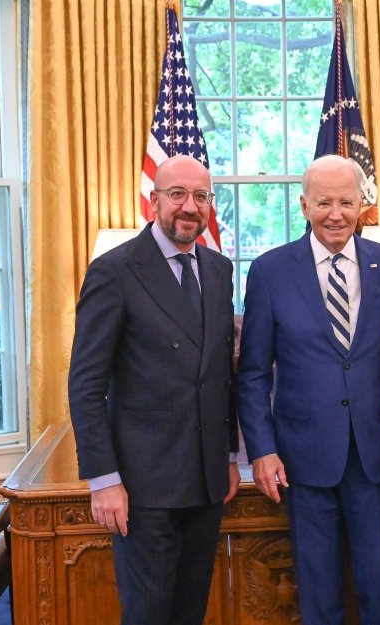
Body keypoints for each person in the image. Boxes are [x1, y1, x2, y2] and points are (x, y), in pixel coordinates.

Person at [237, 154, 380, 625]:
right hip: (303, 457)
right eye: (323, 202)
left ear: (362, 205)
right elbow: (253, 372)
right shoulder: (270, 270)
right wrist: (262, 450)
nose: (335, 213)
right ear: (303, 205)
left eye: (345, 202)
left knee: (379, 584)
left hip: (376, 452)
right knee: (317, 591)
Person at [67, 154, 240, 625]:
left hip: (206, 482)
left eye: (200, 196)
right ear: (154, 200)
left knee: (190, 612)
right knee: (148, 614)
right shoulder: (115, 270)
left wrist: (227, 456)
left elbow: (221, 373)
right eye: (177, 194)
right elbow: (85, 384)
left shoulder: (220, 270)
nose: (189, 206)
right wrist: (103, 480)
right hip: (143, 485)